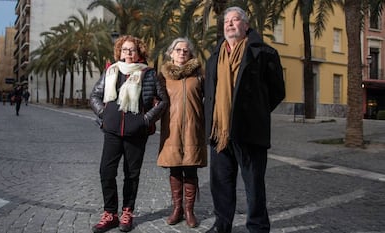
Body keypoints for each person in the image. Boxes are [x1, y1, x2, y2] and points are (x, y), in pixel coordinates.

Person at [203, 7, 285, 233]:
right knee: (220, 183)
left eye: (235, 20)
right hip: (219, 132)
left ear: (246, 25)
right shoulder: (214, 57)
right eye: (226, 21)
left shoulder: (264, 53)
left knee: (254, 185)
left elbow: (277, 91)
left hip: (249, 131)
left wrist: (254, 112)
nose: (229, 24)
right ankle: (222, 224)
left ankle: (258, 227)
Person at [89, 35, 168, 233]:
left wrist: (146, 120)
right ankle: (110, 213)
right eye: (125, 49)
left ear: (139, 52)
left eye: (132, 49)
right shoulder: (111, 71)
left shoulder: (149, 73)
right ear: (119, 52)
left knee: (131, 175)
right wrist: (104, 114)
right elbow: (95, 96)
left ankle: (127, 212)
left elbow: (163, 101)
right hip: (112, 131)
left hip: (136, 133)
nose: (128, 53)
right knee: (106, 171)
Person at [157, 38, 207, 228]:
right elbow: (155, 99)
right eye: (178, 50)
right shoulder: (163, 76)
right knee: (175, 167)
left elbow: (208, 99)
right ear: (171, 52)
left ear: (190, 54)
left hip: (194, 128)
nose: (182, 53)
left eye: (186, 50)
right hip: (171, 128)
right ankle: (177, 209)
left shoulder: (199, 74)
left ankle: (189, 210)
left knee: (191, 168)